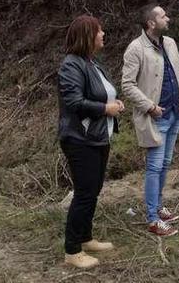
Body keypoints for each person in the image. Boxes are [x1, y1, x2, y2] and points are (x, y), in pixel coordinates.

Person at [57, 15, 125, 269]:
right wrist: (105, 108)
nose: (103, 34)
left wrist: (114, 104)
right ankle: (72, 250)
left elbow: (101, 95)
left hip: (98, 138)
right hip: (79, 140)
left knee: (93, 191)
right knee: (84, 194)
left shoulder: (92, 64)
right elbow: (74, 102)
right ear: (88, 36)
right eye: (99, 31)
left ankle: (86, 238)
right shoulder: (71, 66)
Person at [121, 4, 179, 237]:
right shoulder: (135, 48)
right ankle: (152, 218)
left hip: (175, 113)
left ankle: (159, 207)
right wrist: (150, 107)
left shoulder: (170, 43)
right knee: (154, 166)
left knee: (165, 163)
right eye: (163, 16)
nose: (168, 18)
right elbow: (127, 85)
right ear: (151, 23)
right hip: (156, 117)